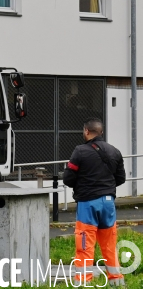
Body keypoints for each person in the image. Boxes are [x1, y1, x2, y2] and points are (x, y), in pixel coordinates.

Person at [63, 118, 126, 286]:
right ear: (101, 132)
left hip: (88, 204)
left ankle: (83, 283)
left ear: (86, 131)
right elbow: (120, 178)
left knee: (85, 245)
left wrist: (84, 185)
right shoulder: (115, 151)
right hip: (108, 204)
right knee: (109, 245)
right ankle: (117, 282)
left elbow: (68, 178)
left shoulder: (80, 151)